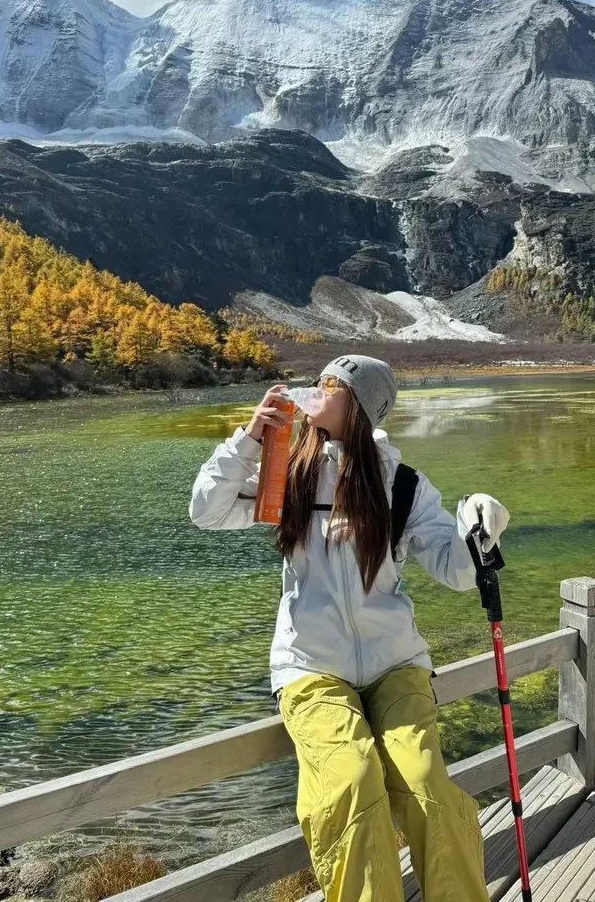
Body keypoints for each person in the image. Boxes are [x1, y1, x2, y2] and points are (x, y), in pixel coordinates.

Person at [189, 355, 510, 902]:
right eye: (319, 380)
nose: (316, 390)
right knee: (352, 782)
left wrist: (482, 527)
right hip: (310, 668)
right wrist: (249, 438)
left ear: (358, 406)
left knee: (427, 784)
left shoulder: (400, 485)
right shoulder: (286, 473)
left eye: (331, 384)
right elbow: (207, 510)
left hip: (396, 665)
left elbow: (457, 570)